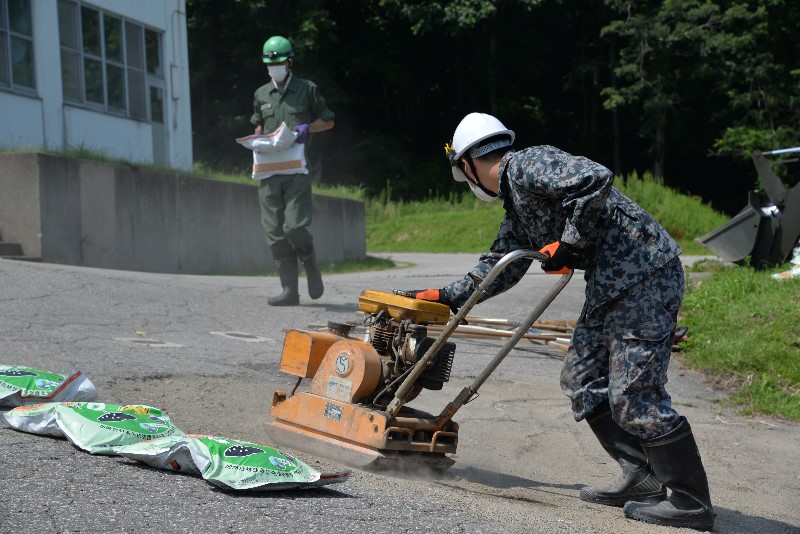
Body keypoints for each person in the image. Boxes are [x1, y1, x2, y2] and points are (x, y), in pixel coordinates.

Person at [398, 112, 715, 531]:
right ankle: (641, 475)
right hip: (610, 285)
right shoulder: (517, 207)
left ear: (468, 164)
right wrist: (446, 296)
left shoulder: (528, 165)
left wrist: (568, 242)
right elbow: (500, 266)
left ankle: (691, 501)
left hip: (645, 274)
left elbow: (595, 178)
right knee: (581, 378)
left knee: (635, 393)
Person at [250, 35, 334, 306]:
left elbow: (328, 121)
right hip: (268, 171)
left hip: (296, 170)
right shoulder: (261, 94)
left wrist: (309, 127)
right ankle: (289, 291)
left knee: (294, 226)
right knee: (274, 231)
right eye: (268, 63)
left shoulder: (306, 89)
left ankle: (310, 265)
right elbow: (258, 125)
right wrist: (257, 138)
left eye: (278, 62)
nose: (273, 67)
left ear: (289, 62)